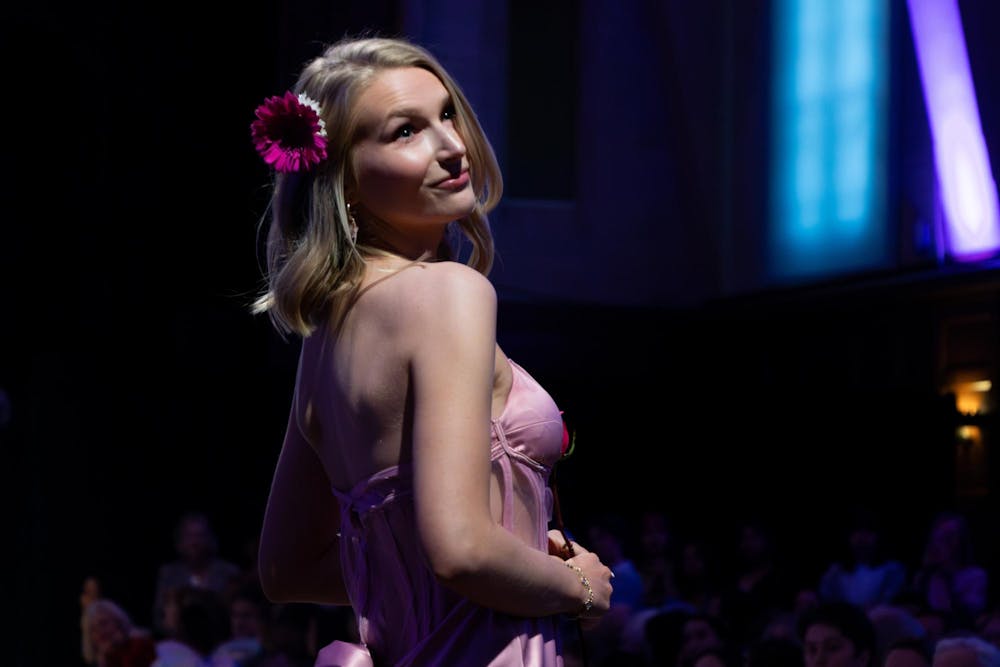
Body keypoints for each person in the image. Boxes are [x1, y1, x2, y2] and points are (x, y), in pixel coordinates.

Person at [248, 35, 614, 666]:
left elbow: (287, 569)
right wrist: (580, 587)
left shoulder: (326, 335)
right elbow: (461, 550)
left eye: (447, 114)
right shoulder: (449, 294)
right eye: (405, 132)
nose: (452, 146)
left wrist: (496, 567)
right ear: (345, 180)